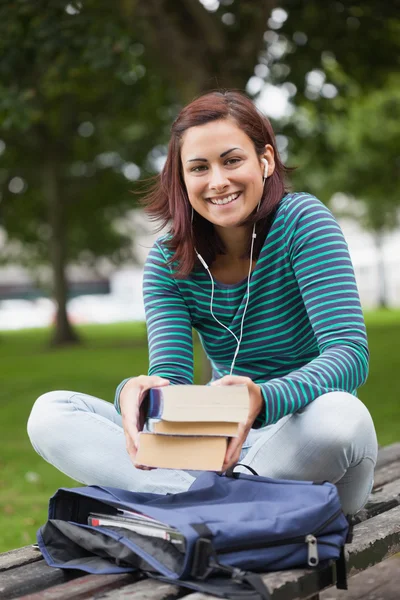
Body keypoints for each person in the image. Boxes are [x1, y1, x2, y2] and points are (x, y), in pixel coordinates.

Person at [27, 90, 377, 515]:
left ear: (265, 160)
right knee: (50, 413)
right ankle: (221, 505)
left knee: (343, 415)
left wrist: (263, 399)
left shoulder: (303, 223)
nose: (217, 181)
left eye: (232, 160)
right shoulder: (169, 260)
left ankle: (196, 503)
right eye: (198, 167)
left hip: (305, 442)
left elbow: (349, 354)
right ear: (182, 178)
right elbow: (171, 380)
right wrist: (138, 397)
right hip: (219, 447)